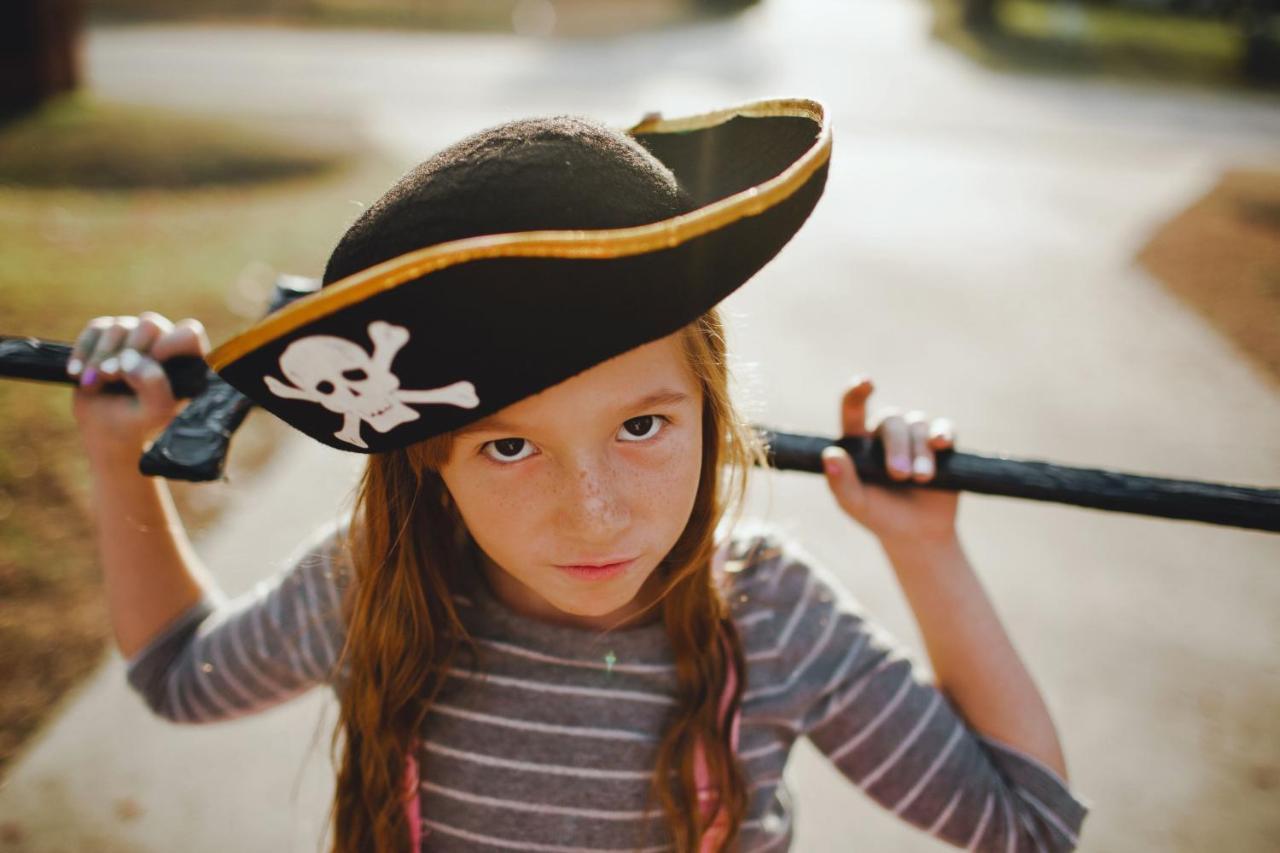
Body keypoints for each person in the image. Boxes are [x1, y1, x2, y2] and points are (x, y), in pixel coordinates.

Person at [67, 100, 1089, 852]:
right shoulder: (377, 583)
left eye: (641, 424)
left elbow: (1027, 820)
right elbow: (176, 673)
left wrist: (925, 547)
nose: (592, 514)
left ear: (710, 405)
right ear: (432, 461)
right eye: (509, 446)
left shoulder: (770, 619)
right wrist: (121, 457)